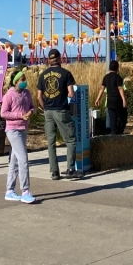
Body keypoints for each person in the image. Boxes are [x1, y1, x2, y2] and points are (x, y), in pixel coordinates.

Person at [37, 48, 79, 180]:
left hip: (48, 111)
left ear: (49, 60)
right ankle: (70, 169)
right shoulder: (66, 73)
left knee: (51, 142)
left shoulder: (43, 75)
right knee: (71, 140)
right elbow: (71, 94)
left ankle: (54, 171)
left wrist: (45, 108)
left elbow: (39, 96)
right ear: (60, 58)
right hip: (61, 110)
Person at [0, 69, 36, 203]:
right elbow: (4, 113)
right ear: (15, 82)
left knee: (14, 161)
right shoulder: (9, 95)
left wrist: (31, 112)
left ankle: (9, 190)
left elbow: (32, 107)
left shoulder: (27, 93)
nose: (24, 82)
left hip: (23, 128)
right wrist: (20, 115)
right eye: (22, 80)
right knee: (23, 158)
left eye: (24, 79)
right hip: (13, 130)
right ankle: (25, 191)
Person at [95, 60, 127, 135]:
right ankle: (120, 132)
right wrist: (124, 100)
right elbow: (120, 88)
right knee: (122, 117)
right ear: (117, 68)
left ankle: (113, 134)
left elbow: (102, 88)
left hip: (109, 101)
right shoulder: (118, 77)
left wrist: (98, 99)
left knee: (112, 119)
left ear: (109, 68)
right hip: (117, 100)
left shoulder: (106, 77)